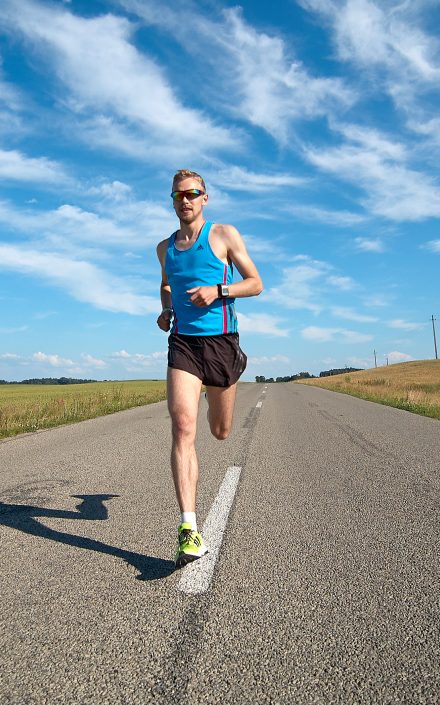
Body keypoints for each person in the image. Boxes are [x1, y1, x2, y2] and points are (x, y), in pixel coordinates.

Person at [156, 169, 263, 568]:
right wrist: (167, 309)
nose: (185, 200)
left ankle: (232, 377)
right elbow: (166, 284)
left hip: (221, 344)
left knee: (220, 432)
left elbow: (255, 283)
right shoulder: (165, 248)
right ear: (172, 201)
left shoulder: (223, 235)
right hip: (183, 344)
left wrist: (218, 290)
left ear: (204, 198)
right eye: (177, 195)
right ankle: (189, 528)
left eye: (192, 194)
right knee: (183, 426)